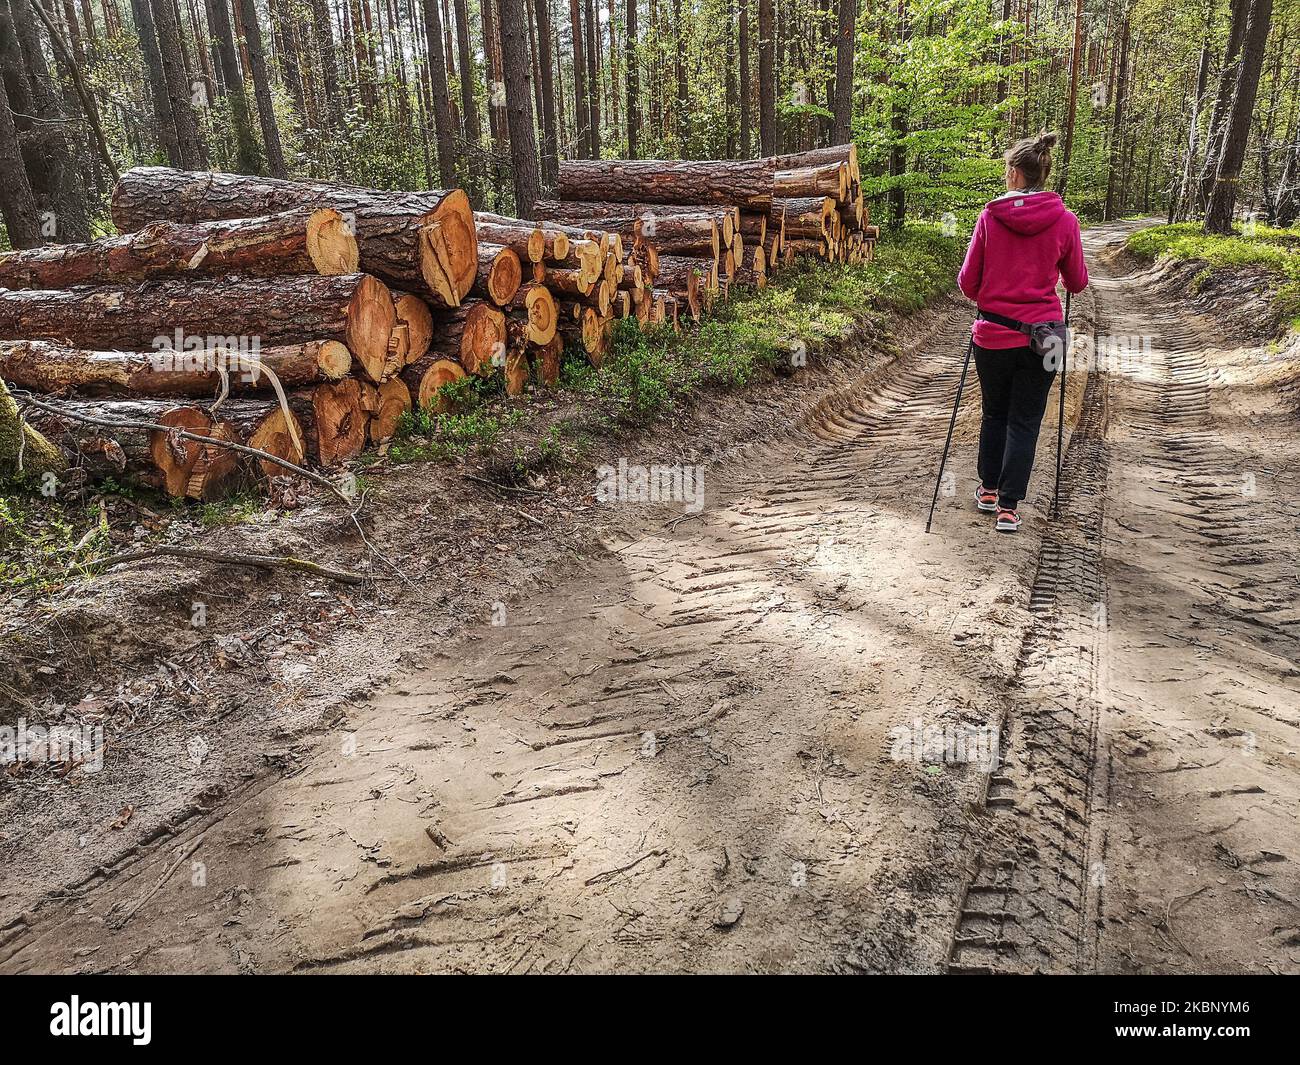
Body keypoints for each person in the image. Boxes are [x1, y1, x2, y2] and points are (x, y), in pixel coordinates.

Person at [957, 130, 1089, 533]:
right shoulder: (1065, 221)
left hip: (993, 334)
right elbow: (1077, 282)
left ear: (1015, 174)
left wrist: (996, 293)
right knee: (1026, 419)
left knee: (994, 412)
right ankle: (1009, 509)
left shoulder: (990, 217)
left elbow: (967, 282)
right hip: (1044, 336)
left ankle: (989, 489)